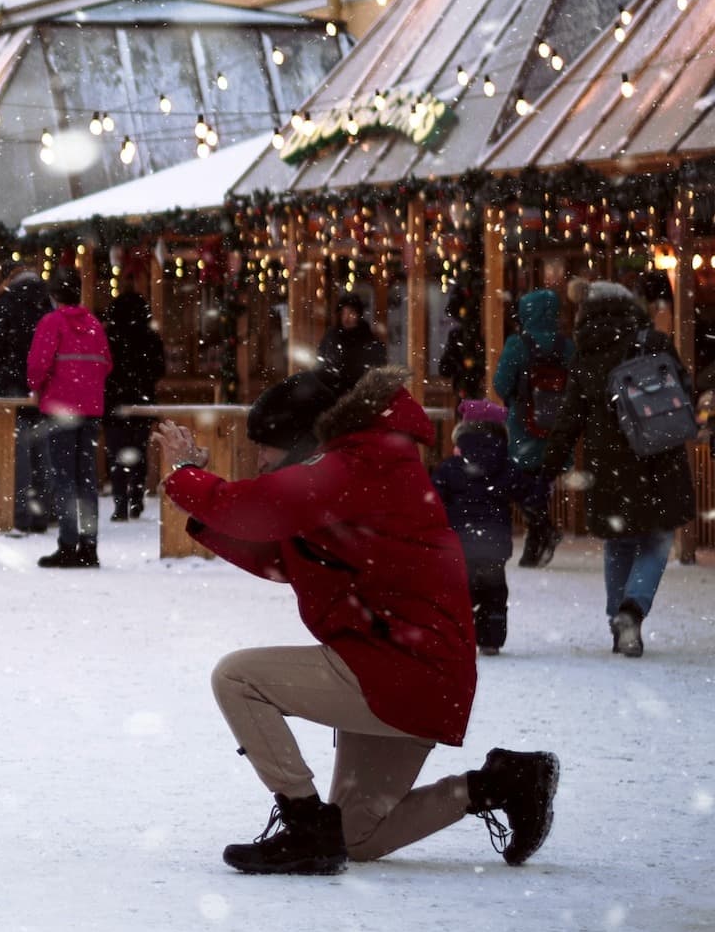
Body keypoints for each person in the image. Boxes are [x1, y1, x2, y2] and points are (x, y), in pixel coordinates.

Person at [154, 367, 559, 875]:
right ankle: (500, 784)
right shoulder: (363, 464)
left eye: (267, 448)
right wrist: (202, 511)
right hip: (415, 671)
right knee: (356, 838)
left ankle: (303, 824)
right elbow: (281, 557)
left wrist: (186, 475)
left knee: (237, 677)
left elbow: (253, 511)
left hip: (398, 667)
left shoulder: (355, 467)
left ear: (303, 441)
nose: (259, 460)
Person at [552, 282, 697, 658]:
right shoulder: (655, 342)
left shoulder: (585, 354)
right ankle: (633, 608)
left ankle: (619, 621)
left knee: (618, 543)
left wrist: (549, 462)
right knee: (658, 538)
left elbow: (570, 418)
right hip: (659, 455)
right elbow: (684, 391)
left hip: (610, 464)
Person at [28, 273, 110, 568]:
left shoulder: (51, 323)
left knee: (64, 477)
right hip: (90, 408)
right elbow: (106, 363)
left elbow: (37, 364)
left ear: (54, 296)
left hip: (61, 408)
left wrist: (39, 386)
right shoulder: (93, 325)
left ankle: (68, 543)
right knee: (86, 477)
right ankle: (89, 546)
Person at [492, 288, 574, 568]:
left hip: (524, 426)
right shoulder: (567, 346)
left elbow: (501, 384)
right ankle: (538, 537)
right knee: (541, 482)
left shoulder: (518, 344)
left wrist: (520, 396)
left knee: (519, 483)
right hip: (557, 428)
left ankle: (541, 531)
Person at [433, 399, 519, 655]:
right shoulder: (505, 466)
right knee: (494, 592)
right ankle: (490, 638)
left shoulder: (450, 468)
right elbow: (527, 491)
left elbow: (434, 498)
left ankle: (457, 635)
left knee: (461, 593)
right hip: (495, 544)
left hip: (461, 544)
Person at [0, 267, 56, 531]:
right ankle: (44, 512)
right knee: (43, 450)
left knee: (19, 453)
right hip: (43, 386)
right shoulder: (47, 305)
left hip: (12, 385)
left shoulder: (6, 303)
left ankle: (21, 513)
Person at [102, 290, 167, 521]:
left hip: (114, 403)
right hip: (142, 402)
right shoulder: (149, 336)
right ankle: (136, 499)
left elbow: (103, 368)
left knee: (116, 454)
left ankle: (120, 504)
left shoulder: (108, 336)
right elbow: (159, 369)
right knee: (139, 453)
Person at [316, 294, 389, 388]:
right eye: (343, 313)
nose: (346, 318)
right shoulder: (331, 337)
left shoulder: (368, 339)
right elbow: (322, 364)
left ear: (358, 315)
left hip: (361, 392)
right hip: (334, 392)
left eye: (351, 313)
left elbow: (377, 369)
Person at [437, 286, 488, 401]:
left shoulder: (458, 335)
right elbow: (445, 369)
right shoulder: (459, 336)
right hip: (471, 391)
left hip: (467, 393)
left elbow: (445, 369)